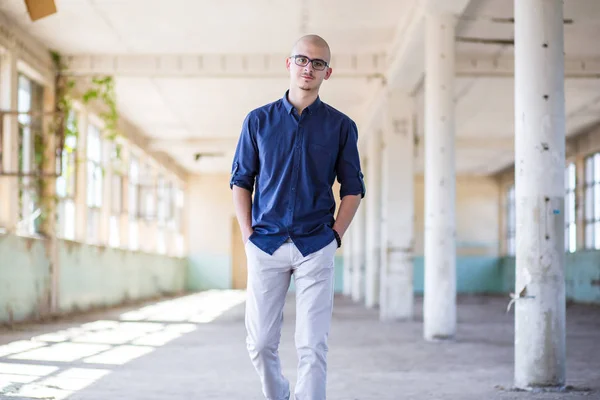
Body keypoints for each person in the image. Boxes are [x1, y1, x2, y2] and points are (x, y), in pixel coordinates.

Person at [230, 34, 365, 400]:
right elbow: (241, 181)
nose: (309, 68)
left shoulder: (341, 127)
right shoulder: (258, 121)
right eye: (302, 60)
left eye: (317, 63)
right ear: (288, 64)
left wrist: (334, 237)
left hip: (314, 246)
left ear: (328, 72)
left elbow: (353, 188)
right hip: (266, 243)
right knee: (259, 343)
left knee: (312, 345)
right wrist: (247, 236)